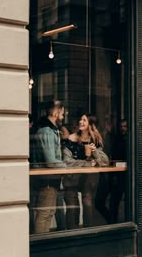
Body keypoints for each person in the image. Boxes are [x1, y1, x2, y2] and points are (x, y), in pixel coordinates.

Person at [62, 113, 109, 228]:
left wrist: (94, 152)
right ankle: (72, 234)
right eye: (80, 119)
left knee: (88, 205)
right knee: (72, 208)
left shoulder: (95, 140)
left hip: (89, 178)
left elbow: (105, 161)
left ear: (90, 124)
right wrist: (87, 163)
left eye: (84, 120)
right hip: (72, 177)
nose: (80, 122)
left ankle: (88, 234)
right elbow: (67, 161)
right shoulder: (71, 138)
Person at [32, 100, 66, 234]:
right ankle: (40, 246)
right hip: (46, 180)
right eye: (62, 114)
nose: (63, 117)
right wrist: (66, 166)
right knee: (45, 213)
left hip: (49, 179)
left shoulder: (50, 131)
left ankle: (42, 244)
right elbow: (51, 161)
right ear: (56, 113)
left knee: (48, 212)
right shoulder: (47, 132)